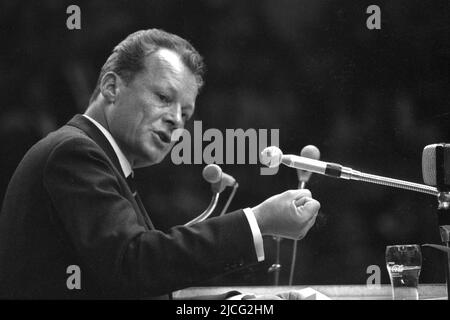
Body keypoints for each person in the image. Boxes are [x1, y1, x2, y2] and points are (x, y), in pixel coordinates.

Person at [0, 29, 320, 299]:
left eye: (185, 113)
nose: (175, 120)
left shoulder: (97, 159)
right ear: (112, 88)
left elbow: (141, 289)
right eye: (164, 98)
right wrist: (257, 221)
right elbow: (135, 265)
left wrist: (252, 305)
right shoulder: (74, 153)